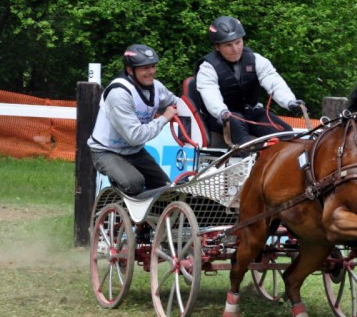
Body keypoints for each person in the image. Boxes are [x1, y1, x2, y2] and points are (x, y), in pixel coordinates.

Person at [194, 15, 305, 145]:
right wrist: (221, 112)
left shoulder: (256, 60)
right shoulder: (207, 68)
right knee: (238, 128)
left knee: (287, 133)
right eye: (228, 45)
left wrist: (290, 102)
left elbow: (273, 82)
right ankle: (246, 161)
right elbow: (210, 93)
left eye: (238, 42)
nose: (235, 49)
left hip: (250, 112)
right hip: (222, 117)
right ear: (217, 47)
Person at [88, 44, 179, 196]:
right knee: (134, 183)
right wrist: (163, 119)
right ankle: (109, 210)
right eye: (145, 68)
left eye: (152, 66)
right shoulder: (119, 94)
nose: (151, 72)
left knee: (165, 189)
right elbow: (135, 136)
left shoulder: (157, 87)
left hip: (134, 151)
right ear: (130, 70)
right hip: (106, 151)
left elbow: (177, 104)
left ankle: (147, 218)